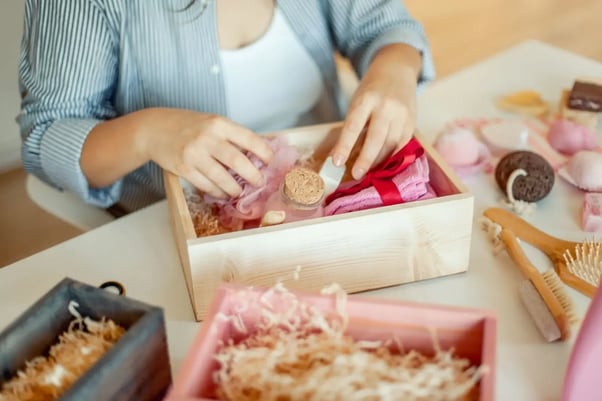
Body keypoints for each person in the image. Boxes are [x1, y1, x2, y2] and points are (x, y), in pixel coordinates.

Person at [17, 0, 435, 215]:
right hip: (181, 233)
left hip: (333, 201)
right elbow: (46, 137)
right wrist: (147, 132)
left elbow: (383, 25)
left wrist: (394, 67)